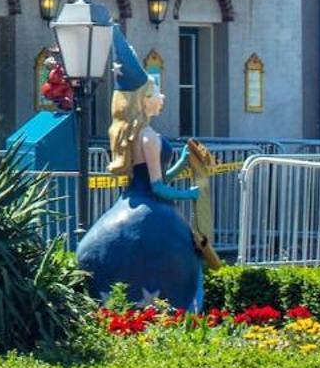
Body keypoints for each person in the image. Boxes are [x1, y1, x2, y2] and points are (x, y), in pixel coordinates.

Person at [74, 31, 220, 309]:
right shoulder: (148, 137)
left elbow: (158, 175)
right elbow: (157, 186)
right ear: (142, 101)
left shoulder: (135, 135)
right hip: (152, 210)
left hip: (129, 203)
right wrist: (191, 194)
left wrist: (183, 162)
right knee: (182, 258)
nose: (161, 97)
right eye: (154, 92)